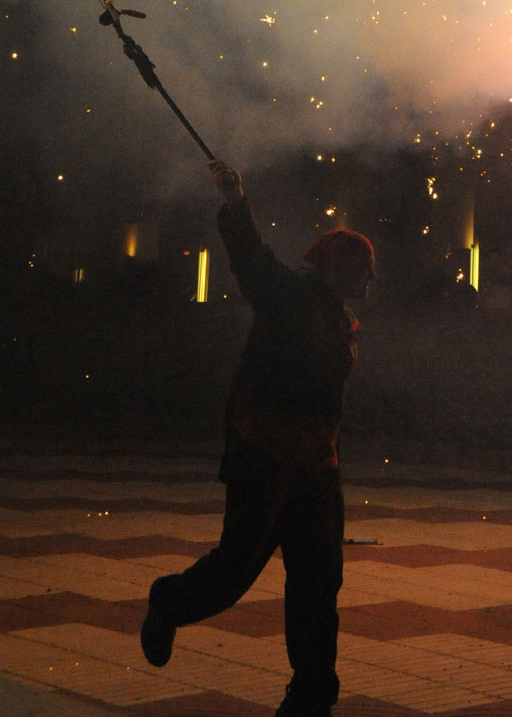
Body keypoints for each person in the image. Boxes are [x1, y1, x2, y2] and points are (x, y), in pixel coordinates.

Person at [140, 160, 374, 717]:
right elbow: (252, 259)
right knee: (235, 569)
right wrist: (237, 201)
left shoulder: (339, 318)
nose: (370, 280)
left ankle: (312, 695)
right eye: (364, 269)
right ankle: (169, 602)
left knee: (319, 581)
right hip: (267, 458)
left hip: (317, 468)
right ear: (339, 268)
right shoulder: (288, 296)